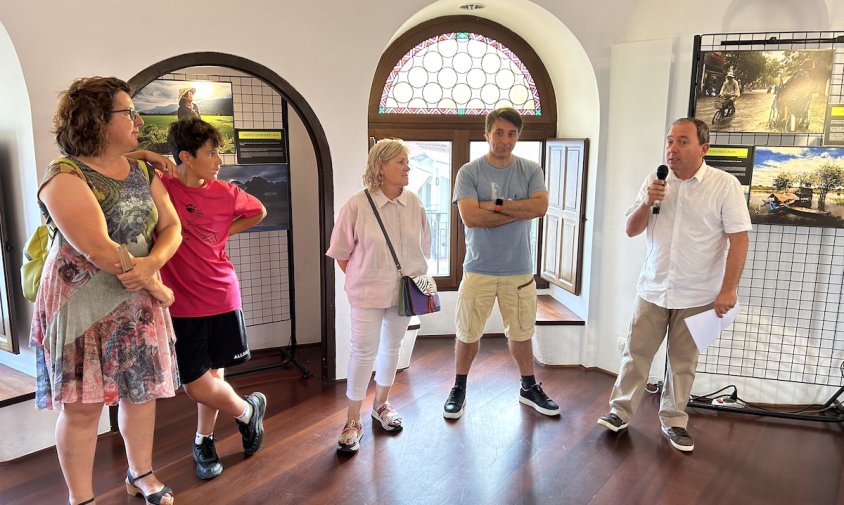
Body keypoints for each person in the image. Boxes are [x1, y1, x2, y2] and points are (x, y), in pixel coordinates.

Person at [31, 76, 182, 505]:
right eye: (127, 112)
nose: (137, 119)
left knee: (142, 392)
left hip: (137, 302)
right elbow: (98, 250)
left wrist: (152, 267)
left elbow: (172, 227)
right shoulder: (64, 175)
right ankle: (81, 498)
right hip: (83, 307)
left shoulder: (142, 169)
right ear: (96, 119)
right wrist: (156, 285)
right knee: (82, 408)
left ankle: (142, 474)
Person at [597, 118, 751, 452]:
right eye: (669, 141)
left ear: (703, 148)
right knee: (635, 354)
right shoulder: (655, 181)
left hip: (698, 293)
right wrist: (647, 201)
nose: (672, 148)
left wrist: (729, 289)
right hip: (654, 287)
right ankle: (619, 411)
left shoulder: (724, 185)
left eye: (682, 141)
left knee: (682, 362)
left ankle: (673, 421)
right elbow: (631, 229)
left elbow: (739, 240)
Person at [159, 118, 268, 480]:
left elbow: (258, 212)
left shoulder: (225, 191)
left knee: (214, 374)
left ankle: (203, 441)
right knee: (196, 384)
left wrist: (223, 233)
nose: (219, 159)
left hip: (222, 295)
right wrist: (147, 152)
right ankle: (249, 411)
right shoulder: (162, 187)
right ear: (185, 157)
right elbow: (122, 162)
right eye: (211, 152)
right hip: (183, 303)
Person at [443, 107, 559, 420]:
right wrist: (518, 210)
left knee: (521, 333)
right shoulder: (469, 172)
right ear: (487, 134)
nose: (504, 140)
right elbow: (470, 216)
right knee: (467, 334)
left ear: (518, 137)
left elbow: (541, 207)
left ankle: (528, 386)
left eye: (511, 134)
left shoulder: (530, 169)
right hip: (478, 268)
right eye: (499, 133)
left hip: (519, 268)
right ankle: (459, 387)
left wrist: (493, 206)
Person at [326, 138, 431, 454]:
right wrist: (365, 278)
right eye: (400, 161)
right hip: (367, 292)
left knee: (393, 347)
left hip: (403, 292)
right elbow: (341, 252)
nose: (407, 166)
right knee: (362, 351)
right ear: (380, 167)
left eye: (407, 161)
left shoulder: (414, 203)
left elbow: (422, 247)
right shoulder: (357, 204)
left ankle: (381, 404)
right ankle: (352, 420)